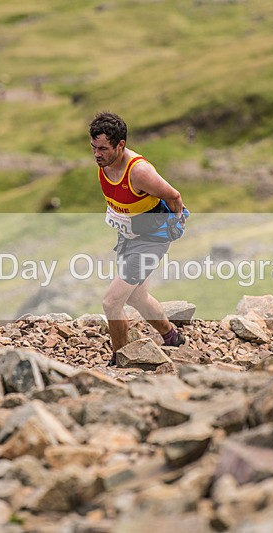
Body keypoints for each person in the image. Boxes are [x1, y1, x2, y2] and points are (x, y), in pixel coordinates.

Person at [89, 112, 188, 364]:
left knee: (111, 302)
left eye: (103, 148)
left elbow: (174, 197)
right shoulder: (105, 163)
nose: (97, 154)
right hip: (128, 237)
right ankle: (171, 336)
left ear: (120, 145)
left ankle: (120, 359)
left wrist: (175, 223)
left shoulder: (139, 172)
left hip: (150, 241)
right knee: (137, 296)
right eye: (93, 148)